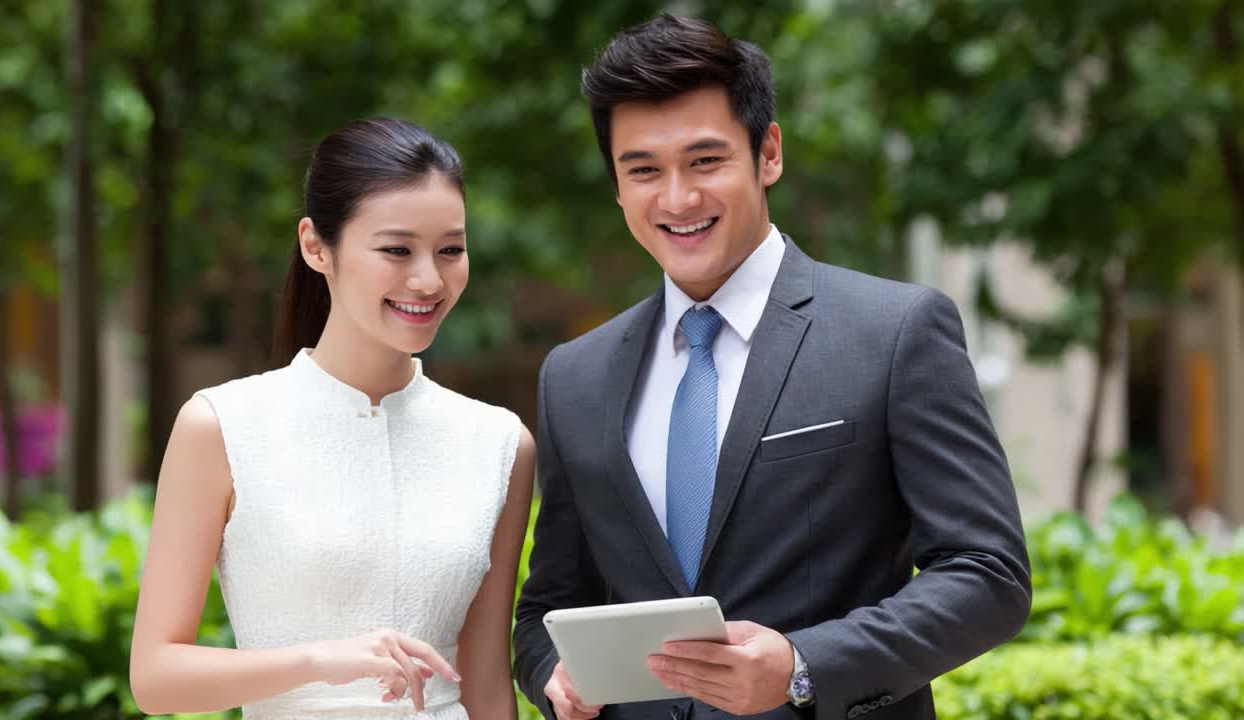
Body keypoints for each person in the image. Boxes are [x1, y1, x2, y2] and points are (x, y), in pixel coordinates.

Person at [513, 14, 1031, 720]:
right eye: (643, 170)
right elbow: (547, 609)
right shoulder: (575, 375)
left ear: (769, 154)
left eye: (705, 161)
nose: (677, 198)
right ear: (616, 185)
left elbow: (988, 574)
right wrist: (552, 676)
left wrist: (803, 665)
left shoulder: (895, 332)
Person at [129, 118, 534, 720]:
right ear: (316, 245)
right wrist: (319, 660)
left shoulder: (501, 443)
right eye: (397, 249)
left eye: (450, 249)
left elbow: (485, 684)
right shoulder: (222, 426)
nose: (429, 279)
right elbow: (156, 677)